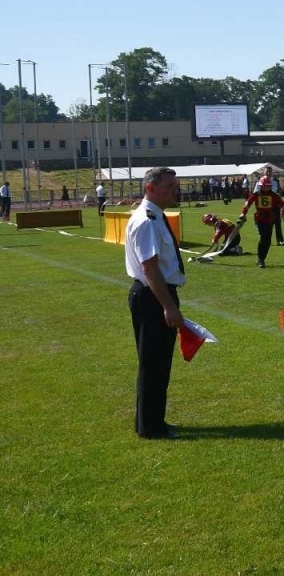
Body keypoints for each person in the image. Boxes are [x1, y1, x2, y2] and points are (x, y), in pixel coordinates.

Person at [125, 167, 186, 439]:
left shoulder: (155, 215)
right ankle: (151, 427)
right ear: (151, 187)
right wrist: (168, 306)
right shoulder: (148, 219)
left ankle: (150, 421)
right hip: (153, 295)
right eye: (170, 185)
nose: (175, 190)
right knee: (153, 363)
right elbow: (150, 268)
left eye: (175, 185)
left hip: (155, 293)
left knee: (158, 362)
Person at [240, 174, 284, 268]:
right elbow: (247, 203)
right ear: (260, 186)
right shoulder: (256, 194)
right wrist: (243, 213)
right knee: (263, 238)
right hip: (259, 219)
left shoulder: (274, 195)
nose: (266, 188)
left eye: (267, 186)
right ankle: (261, 259)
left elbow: (283, 205)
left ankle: (262, 259)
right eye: (264, 186)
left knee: (268, 241)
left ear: (270, 186)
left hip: (270, 219)